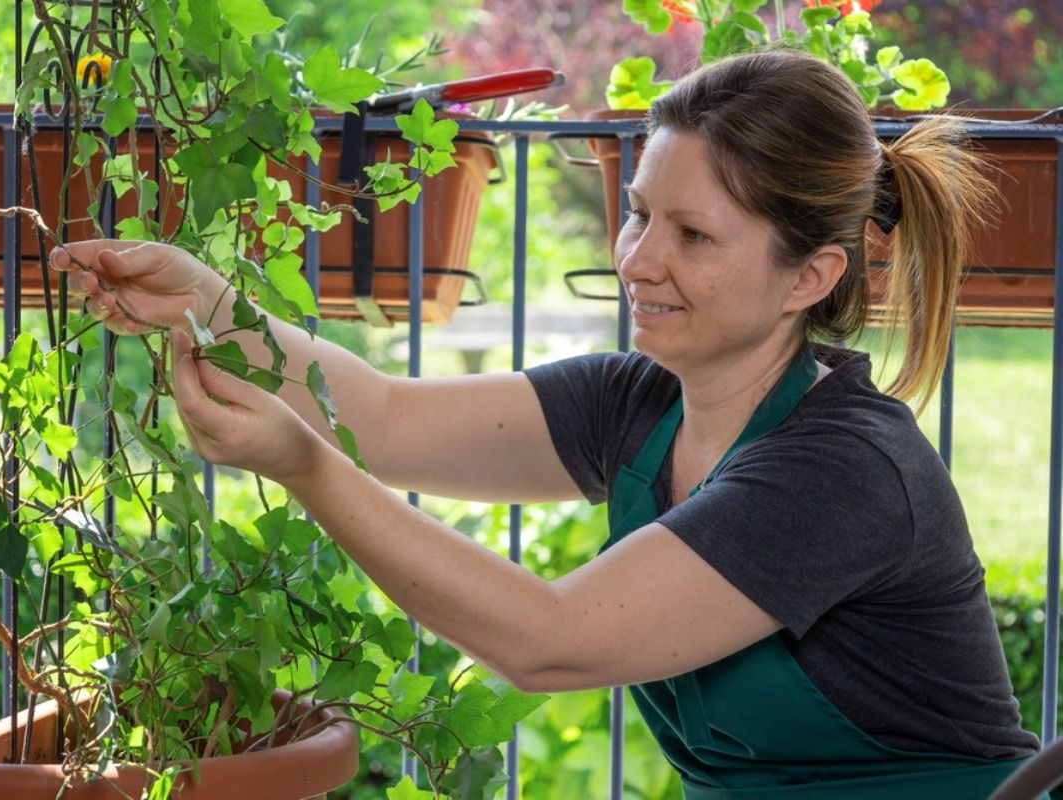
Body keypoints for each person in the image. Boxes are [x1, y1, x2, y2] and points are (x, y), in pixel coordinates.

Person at [55, 49, 1043, 798]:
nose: (637, 260)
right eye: (638, 214)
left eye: (692, 234)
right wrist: (215, 306)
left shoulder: (843, 470)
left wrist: (303, 468)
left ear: (810, 277)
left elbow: (549, 639)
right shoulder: (637, 404)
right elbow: (388, 419)